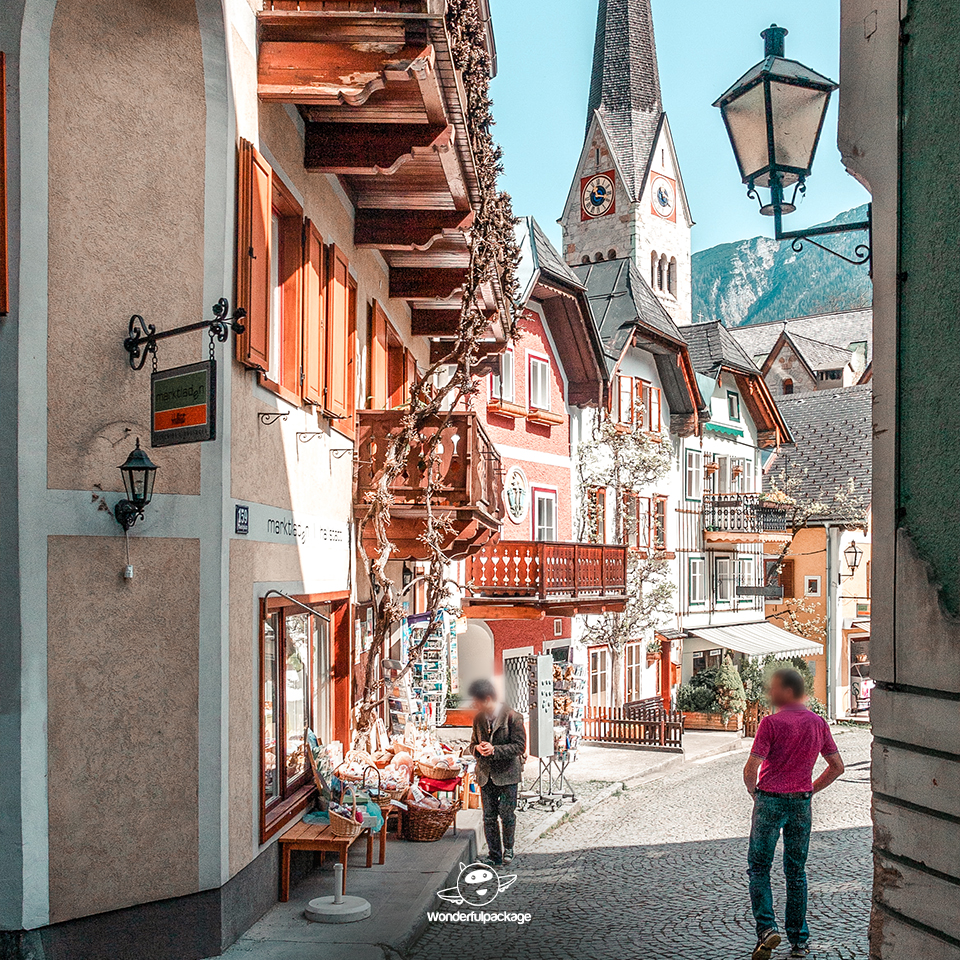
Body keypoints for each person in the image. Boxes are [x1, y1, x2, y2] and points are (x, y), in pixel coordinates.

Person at [742, 668, 845, 959]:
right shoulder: (817, 723)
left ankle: (767, 929)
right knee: (796, 873)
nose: (770, 693)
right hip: (801, 803)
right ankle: (799, 941)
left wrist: (755, 794)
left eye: (773, 688)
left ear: (786, 691)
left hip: (771, 800)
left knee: (759, 868)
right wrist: (811, 789)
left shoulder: (771, 724)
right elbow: (837, 767)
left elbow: (751, 769)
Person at [467, 678, 527, 867]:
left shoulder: (512, 717)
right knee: (489, 817)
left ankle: (508, 848)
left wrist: (495, 750)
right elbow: (471, 744)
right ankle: (494, 855)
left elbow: (520, 746)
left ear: (486, 699)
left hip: (508, 774)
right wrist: (477, 749)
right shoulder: (478, 719)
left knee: (507, 814)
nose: (474, 705)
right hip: (486, 774)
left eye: (476, 701)